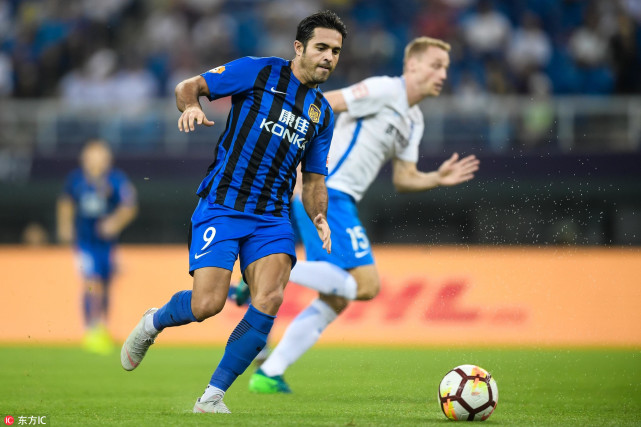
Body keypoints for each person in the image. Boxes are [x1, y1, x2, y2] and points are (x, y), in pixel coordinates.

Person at [119, 10, 347, 414]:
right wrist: (189, 107)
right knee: (207, 304)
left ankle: (212, 397)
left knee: (270, 297)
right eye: (321, 48)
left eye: (336, 51)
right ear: (299, 47)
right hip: (223, 205)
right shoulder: (259, 71)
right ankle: (154, 321)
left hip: (272, 217)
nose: (329, 57)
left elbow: (313, 179)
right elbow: (188, 87)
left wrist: (319, 216)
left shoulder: (322, 113)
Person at [247, 36, 480, 393]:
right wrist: (302, 163)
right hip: (328, 192)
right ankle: (264, 268)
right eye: (436, 65)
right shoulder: (384, 89)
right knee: (368, 285)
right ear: (412, 65)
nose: (443, 74)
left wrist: (436, 178)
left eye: (446, 68)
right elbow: (323, 103)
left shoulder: (414, 120)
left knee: (337, 297)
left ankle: (269, 373)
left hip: (342, 199)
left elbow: (404, 178)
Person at [57, 139, 138, 355]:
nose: (96, 162)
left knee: (106, 283)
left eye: (100, 157)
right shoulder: (76, 180)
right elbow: (65, 203)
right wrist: (65, 226)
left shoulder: (116, 179)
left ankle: (103, 326)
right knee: (91, 282)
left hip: (107, 245)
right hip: (85, 243)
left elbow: (129, 206)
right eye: (92, 157)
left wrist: (114, 222)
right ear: (84, 159)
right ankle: (90, 329)